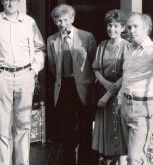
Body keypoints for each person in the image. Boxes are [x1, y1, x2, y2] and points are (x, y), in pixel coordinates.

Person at [0, 0, 46, 164]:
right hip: (2, 76)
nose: (10, 3)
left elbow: (39, 48)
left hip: (25, 76)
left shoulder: (29, 22)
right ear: (2, 1)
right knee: (4, 125)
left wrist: (34, 70)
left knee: (23, 124)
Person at [47, 4, 97, 165]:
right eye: (58, 21)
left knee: (85, 126)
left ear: (72, 19)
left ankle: (86, 161)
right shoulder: (52, 40)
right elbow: (52, 66)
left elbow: (94, 62)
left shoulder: (86, 37)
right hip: (64, 87)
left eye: (65, 20)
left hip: (84, 86)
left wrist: (88, 81)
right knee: (66, 128)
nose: (62, 24)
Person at [116, 13, 153, 165]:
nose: (131, 31)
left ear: (146, 28)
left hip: (142, 107)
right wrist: (119, 100)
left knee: (135, 157)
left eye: (135, 27)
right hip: (125, 105)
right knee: (129, 156)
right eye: (129, 27)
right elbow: (127, 77)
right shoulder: (129, 49)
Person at [92, 9, 129, 165]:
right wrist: (103, 83)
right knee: (106, 138)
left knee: (120, 136)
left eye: (115, 26)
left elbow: (126, 73)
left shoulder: (126, 46)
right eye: (109, 25)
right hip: (103, 92)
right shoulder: (102, 45)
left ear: (122, 28)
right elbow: (95, 69)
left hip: (119, 94)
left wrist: (108, 93)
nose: (111, 29)